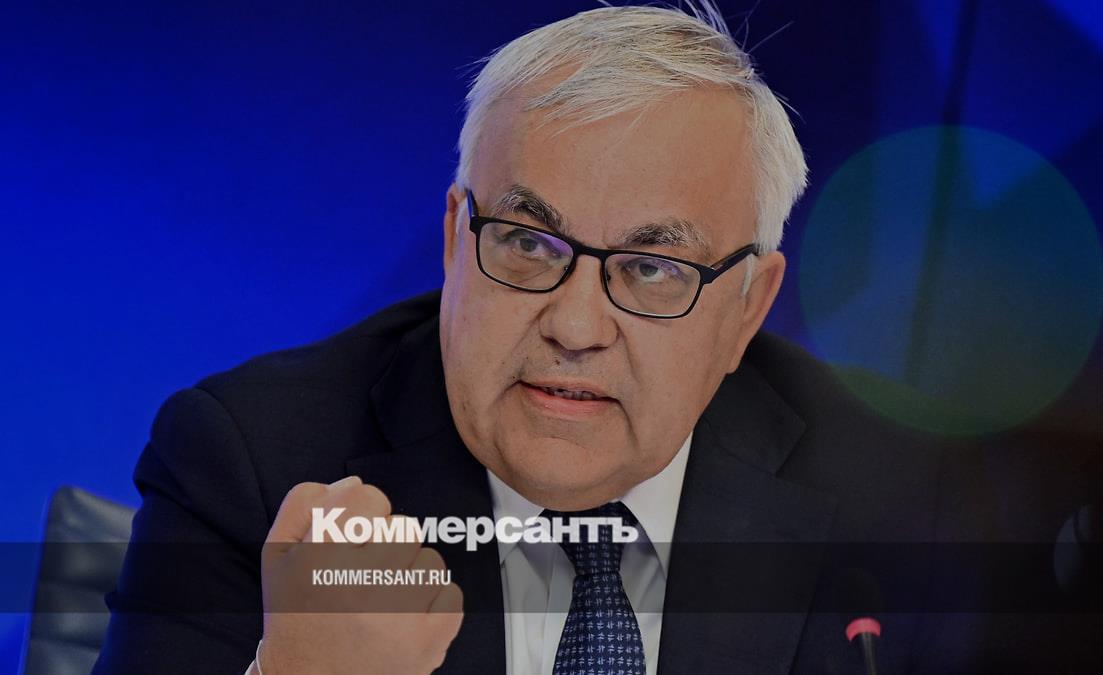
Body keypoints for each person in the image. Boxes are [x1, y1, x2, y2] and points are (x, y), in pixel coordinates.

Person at [94, 3, 1000, 674]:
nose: (574, 325)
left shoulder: (904, 498)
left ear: (747, 309)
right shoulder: (250, 464)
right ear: (456, 241)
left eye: (652, 267)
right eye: (528, 244)